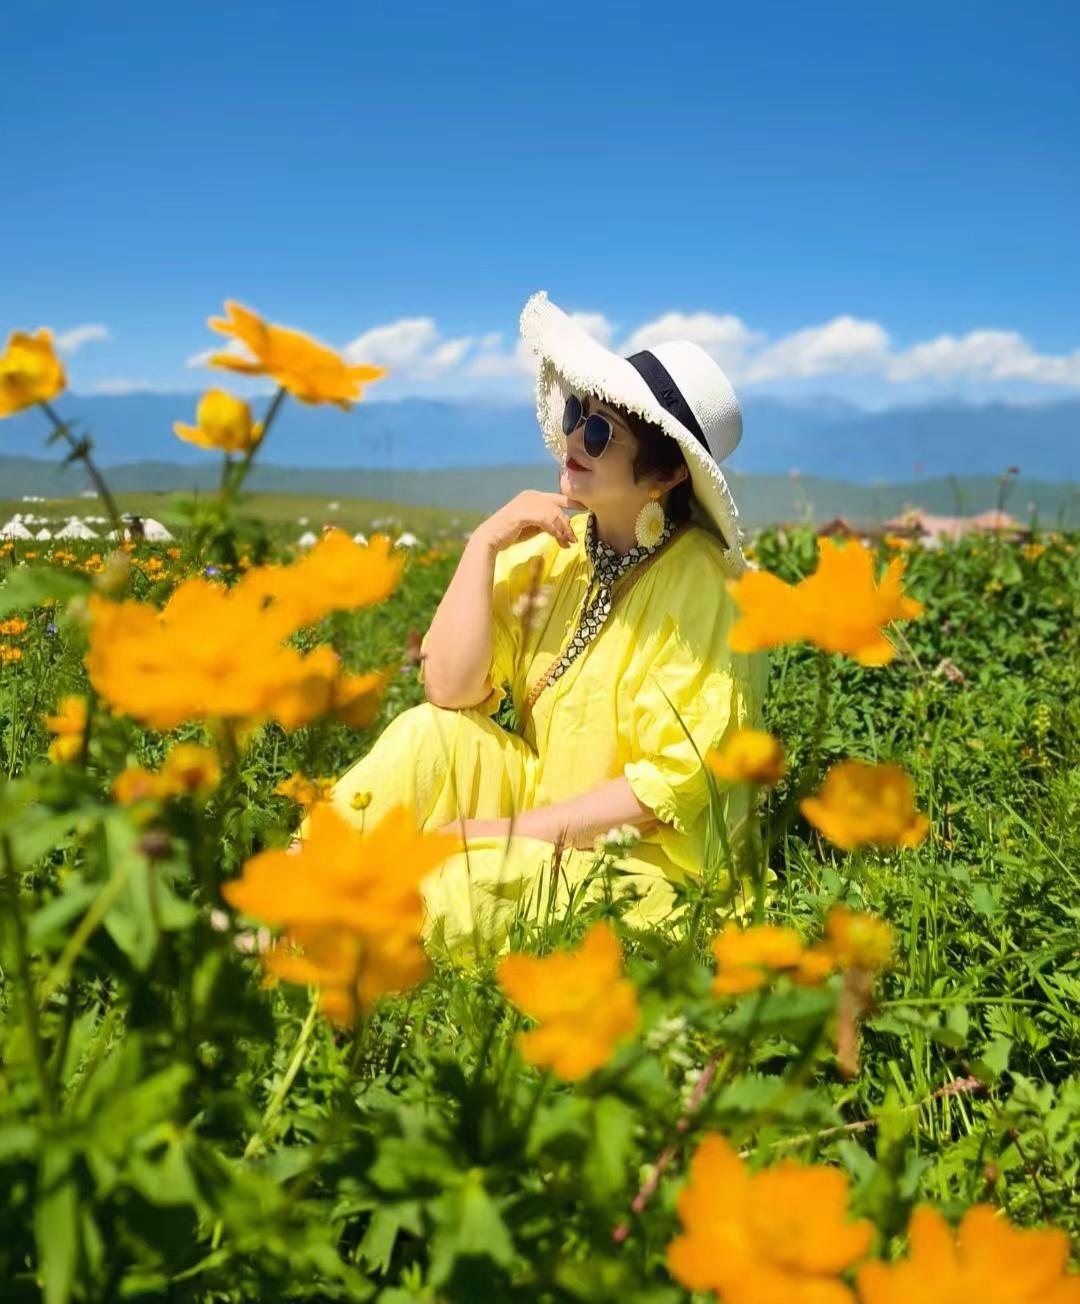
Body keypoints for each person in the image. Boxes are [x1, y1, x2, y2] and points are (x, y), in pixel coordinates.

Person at [296, 290, 769, 962]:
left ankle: (319, 949)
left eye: (601, 432)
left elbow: (667, 784)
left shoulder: (704, 588)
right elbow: (451, 692)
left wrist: (499, 831)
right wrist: (483, 543)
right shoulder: (554, 547)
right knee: (426, 735)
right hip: (544, 795)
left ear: (664, 474)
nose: (575, 439)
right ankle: (294, 887)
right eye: (578, 414)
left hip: (649, 862)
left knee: (467, 877)